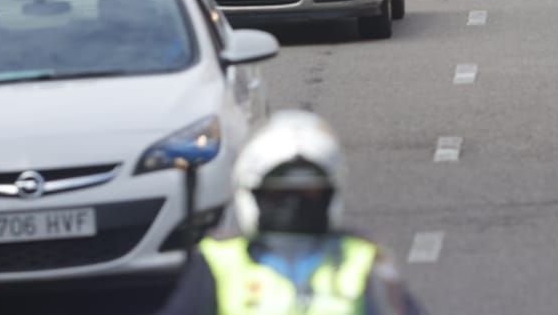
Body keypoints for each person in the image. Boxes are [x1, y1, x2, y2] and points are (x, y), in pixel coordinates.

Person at [158, 111, 422, 315]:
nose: (293, 206)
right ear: (252, 193)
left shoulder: (364, 259)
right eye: (278, 195)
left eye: (309, 194)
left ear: (330, 193)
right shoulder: (219, 262)